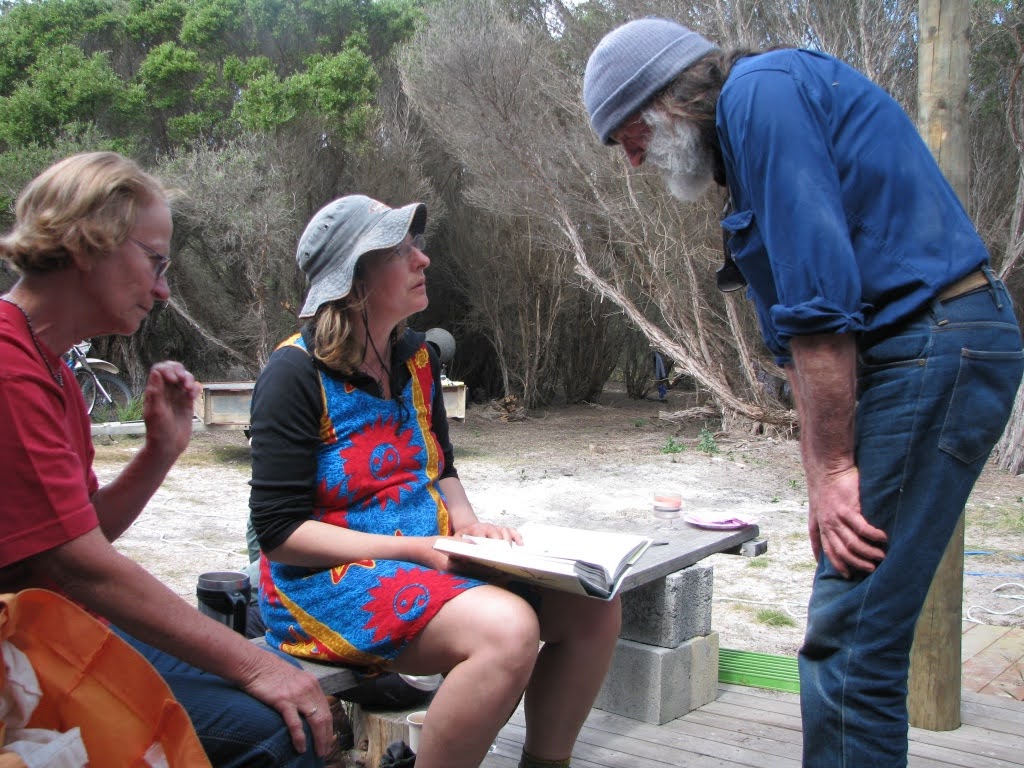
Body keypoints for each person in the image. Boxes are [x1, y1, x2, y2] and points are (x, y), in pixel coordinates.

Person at [583, 18, 1024, 768]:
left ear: (663, 102)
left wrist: (831, 471)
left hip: (932, 343)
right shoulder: (748, 134)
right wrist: (822, 460)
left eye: (625, 134)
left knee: (851, 642)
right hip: (922, 348)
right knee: (855, 624)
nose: (631, 161)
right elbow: (793, 337)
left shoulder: (761, 96)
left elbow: (821, 310)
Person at [249, 194, 622, 768]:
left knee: (594, 604)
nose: (422, 259)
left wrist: (469, 525)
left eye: (415, 245)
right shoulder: (293, 375)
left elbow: (440, 465)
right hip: (326, 585)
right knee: (507, 631)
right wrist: (416, 549)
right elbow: (278, 534)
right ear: (355, 280)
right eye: (400, 251)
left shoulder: (416, 356)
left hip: (431, 556)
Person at [0, 151, 334, 767]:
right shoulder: (9, 369)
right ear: (86, 242)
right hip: (19, 651)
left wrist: (160, 452)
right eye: (154, 260)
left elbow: (73, 536)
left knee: (282, 675)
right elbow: (80, 566)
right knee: (275, 726)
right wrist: (247, 661)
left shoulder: (49, 365)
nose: (163, 287)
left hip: (55, 624)